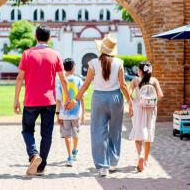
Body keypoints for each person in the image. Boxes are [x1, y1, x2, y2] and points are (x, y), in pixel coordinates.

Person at [14, 25, 74, 176]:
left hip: (31, 101)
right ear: (49, 38)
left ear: (36, 36)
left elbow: (20, 77)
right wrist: (68, 98)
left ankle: (34, 155)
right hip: (49, 101)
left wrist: (16, 99)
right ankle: (41, 167)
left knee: (27, 130)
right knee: (47, 134)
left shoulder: (27, 54)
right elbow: (63, 79)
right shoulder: (55, 55)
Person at [75, 34, 133, 177]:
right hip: (115, 98)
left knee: (98, 132)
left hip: (99, 98)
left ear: (101, 49)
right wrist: (130, 102)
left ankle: (103, 166)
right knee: (115, 131)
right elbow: (123, 85)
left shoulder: (93, 63)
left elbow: (86, 84)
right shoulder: (119, 62)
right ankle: (113, 162)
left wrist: (76, 98)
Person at [129, 62, 163, 172]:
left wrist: (134, 101)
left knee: (138, 134)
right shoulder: (154, 81)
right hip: (151, 109)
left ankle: (140, 156)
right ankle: (146, 159)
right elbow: (160, 95)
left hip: (138, 108)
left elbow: (129, 94)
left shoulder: (135, 80)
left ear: (140, 71)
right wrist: (152, 100)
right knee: (149, 133)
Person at [56, 58, 85, 167]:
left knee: (67, 135)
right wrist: (83, 114)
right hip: (76, 113)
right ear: (73, 67)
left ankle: (69, 156)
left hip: (64, 114)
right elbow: (82, 98)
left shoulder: (60, 82)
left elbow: (58, 100)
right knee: (76, 133)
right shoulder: (78, 80)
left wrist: (58, 114)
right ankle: (74, 151)